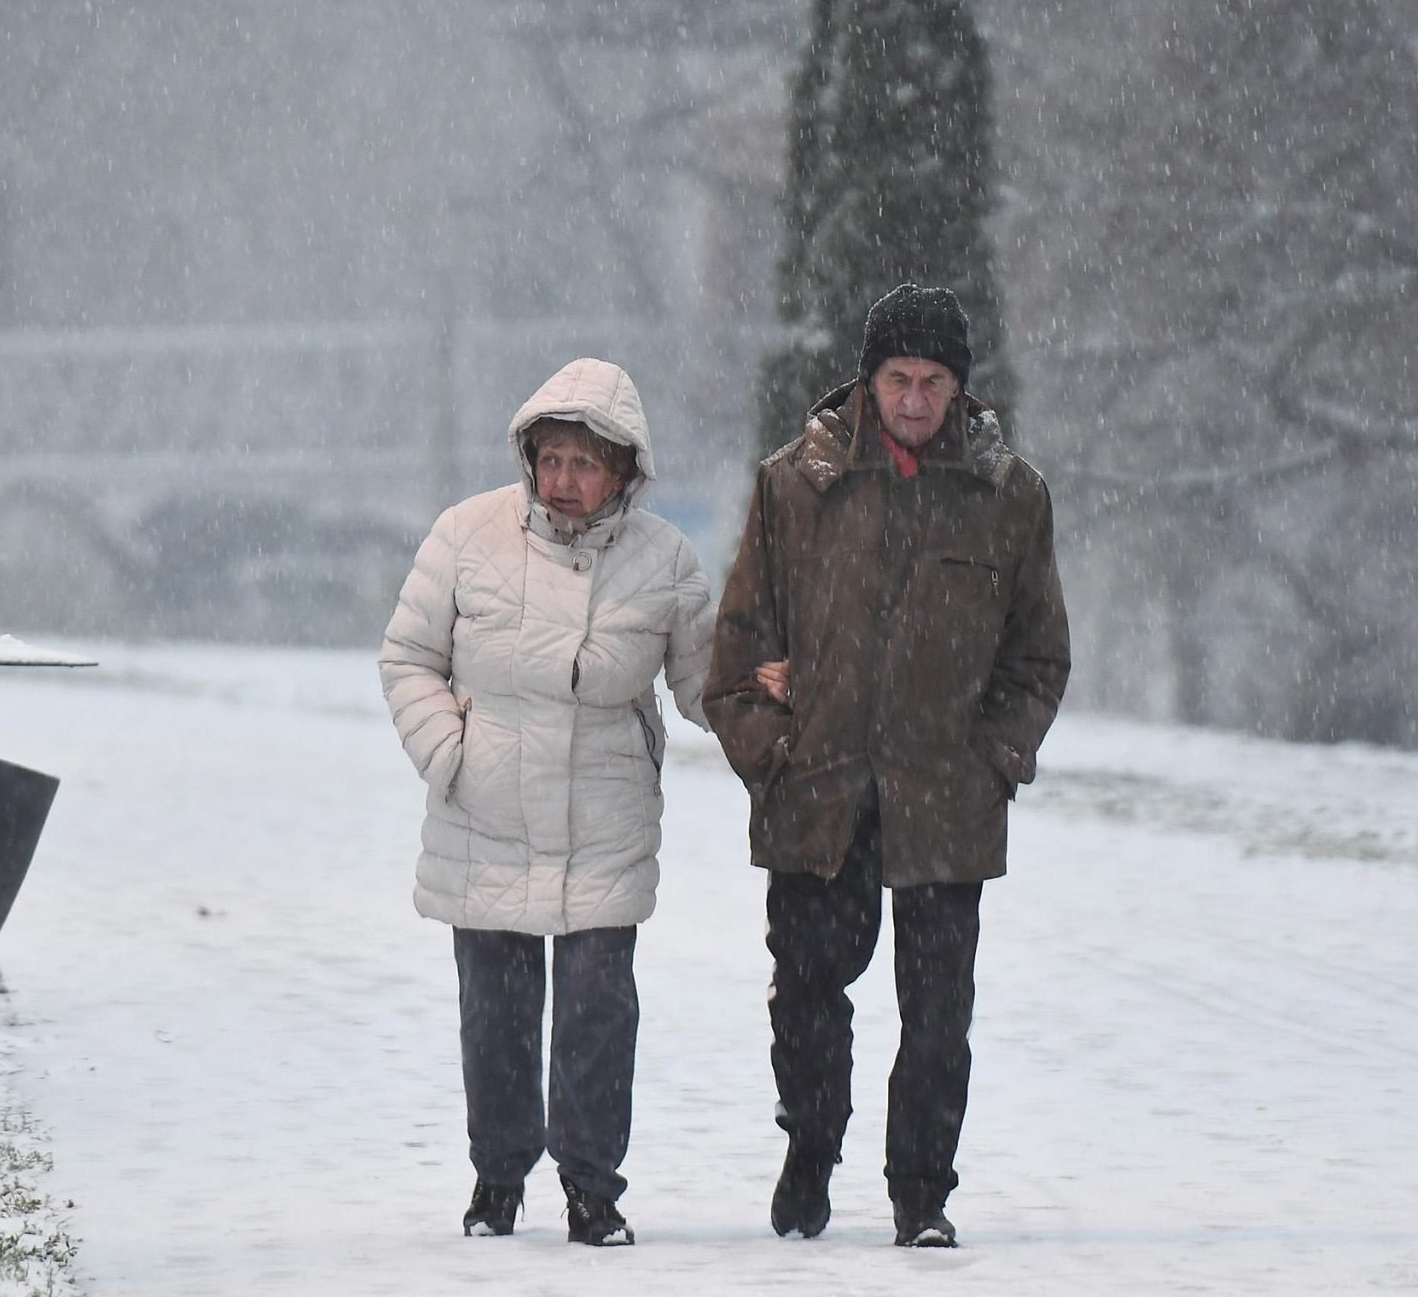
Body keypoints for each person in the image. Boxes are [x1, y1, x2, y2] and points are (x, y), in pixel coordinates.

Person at [707, 283, 1070, 1248]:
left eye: (935, 380)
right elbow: (738, 652)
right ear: (868, 382)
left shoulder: (1011, 498)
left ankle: (922, 1194)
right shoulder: (794, 485)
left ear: (961, 388)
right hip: (818, 792)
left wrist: (994, 755)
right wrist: (774, 756)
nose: (916, 398)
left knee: (938, 1014)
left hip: (947, 799)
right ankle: (811, 1145)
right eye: (900, 378)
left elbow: (1039, 659)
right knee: (809, 994)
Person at [380, 357, 714, 1247]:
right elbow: (407, 657)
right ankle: (497, 1179)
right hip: (485, 813)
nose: (564, 480)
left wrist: (779, 689)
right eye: (551, 458)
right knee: (495, 1013)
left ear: (624, 470)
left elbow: (706, 684)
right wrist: (450, 754)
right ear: (529, 456)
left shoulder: (666, 562)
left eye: (585, 462)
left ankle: (592, 1188)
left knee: (599, 1013)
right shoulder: (465, 536)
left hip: (604, 818)